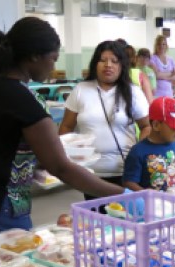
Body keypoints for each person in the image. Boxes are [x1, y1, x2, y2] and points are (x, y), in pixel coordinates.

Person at [0, 17, 125, 247]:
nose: (54, 66)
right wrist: (122, 195)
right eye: (53, 59)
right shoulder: (22, 99)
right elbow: (60, 167)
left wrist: (34, 162)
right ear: (35, 56)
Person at [59, 40, 150, 199]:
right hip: (90, 174)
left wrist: (138, 154)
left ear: (122, 66)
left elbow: (147, 127)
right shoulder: (81, 90)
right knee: (96, 219)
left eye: (114, 61)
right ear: (95, 63)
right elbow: (66, 127)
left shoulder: (133, 92)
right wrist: (72, 157)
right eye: (103, 60)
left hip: (126, 172)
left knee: (125, 219)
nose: (108, 65)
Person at [122, 97, 175, 191]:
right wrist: (148, 196)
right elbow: (128, 183)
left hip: (174, 203)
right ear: (156, 125)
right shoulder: (138, 151)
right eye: (174, 127)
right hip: (150, 204)